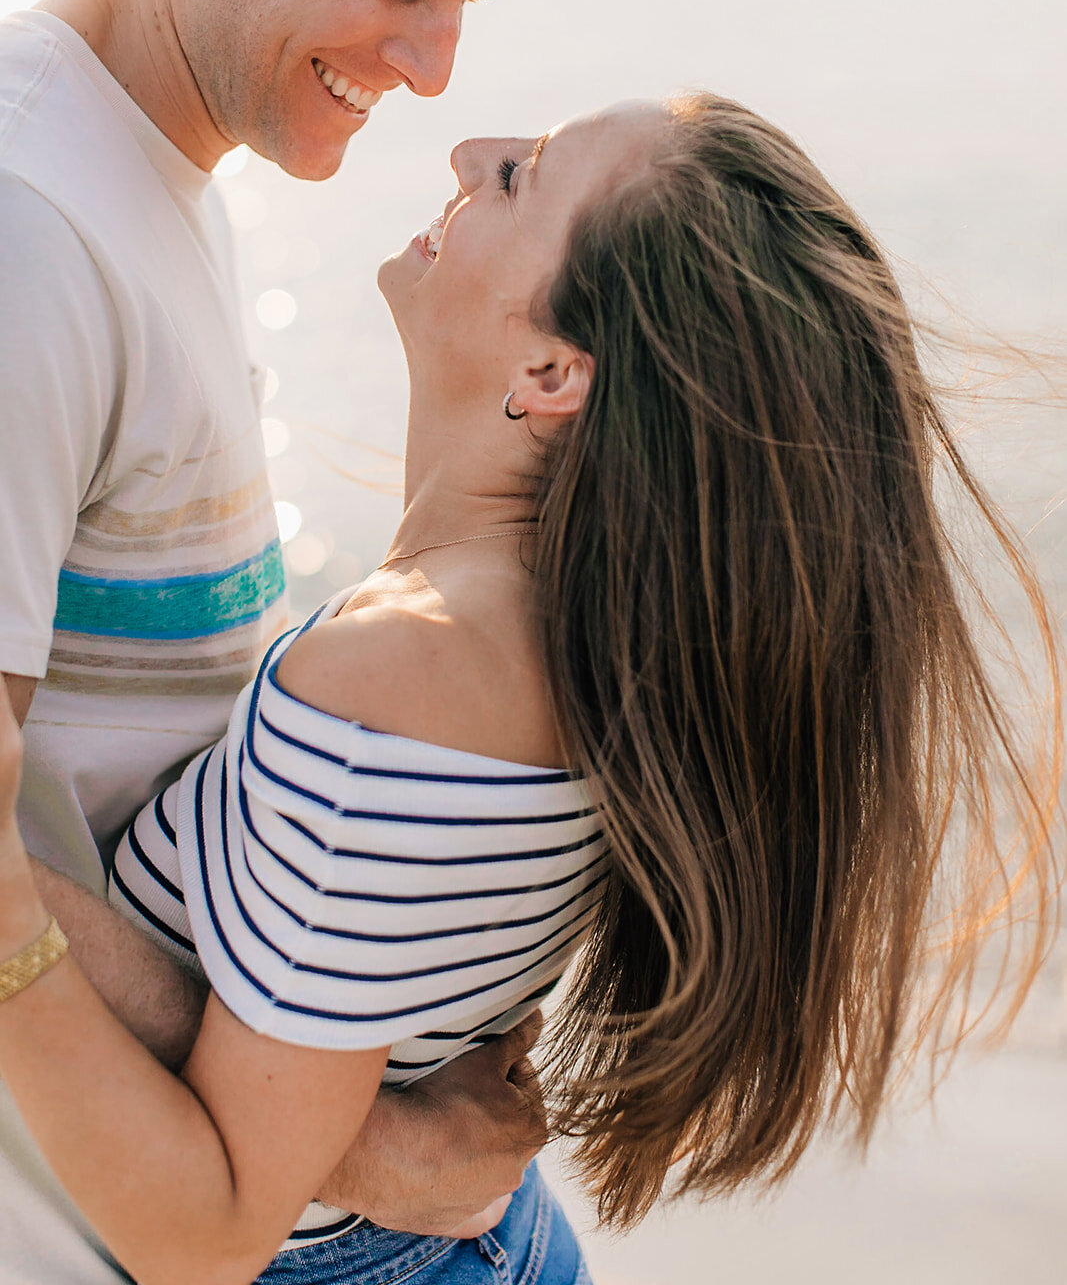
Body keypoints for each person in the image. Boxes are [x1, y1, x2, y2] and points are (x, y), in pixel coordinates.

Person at [0, 93, 1058, 1285]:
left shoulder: (405, 673)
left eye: (519, 177)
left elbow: (208, 1231)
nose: (468, 153)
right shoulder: (582, 641)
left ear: (552, 370)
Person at [0, 0, 585, 1278]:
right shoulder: (29, 228)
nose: (433, 70)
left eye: (461, 2)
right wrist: (351, 1137)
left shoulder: (145, 173)